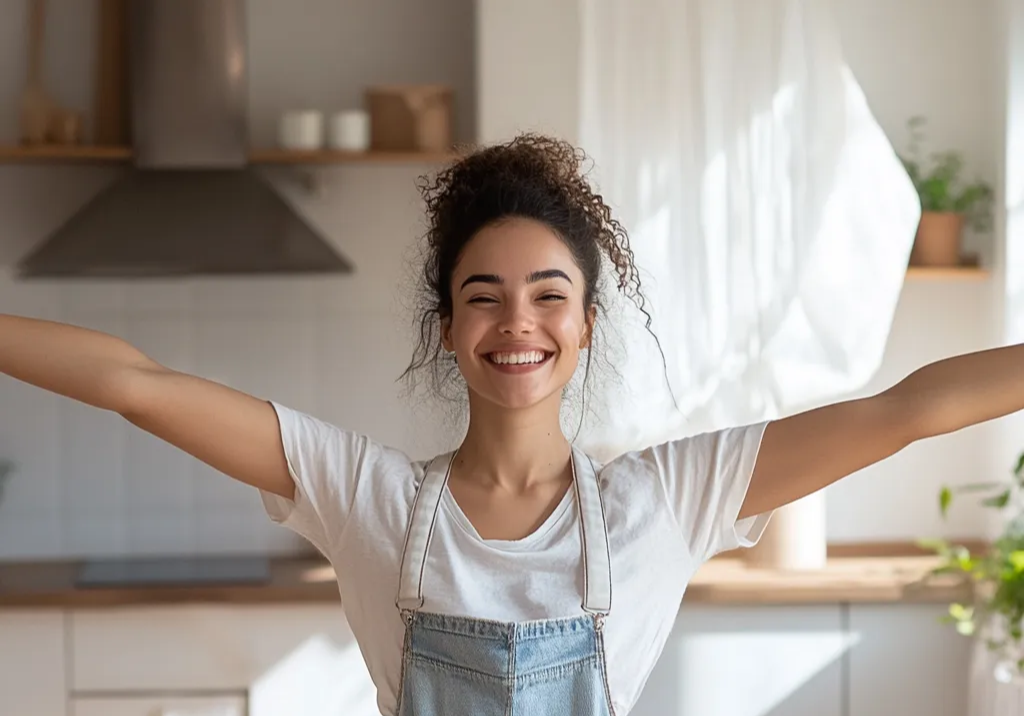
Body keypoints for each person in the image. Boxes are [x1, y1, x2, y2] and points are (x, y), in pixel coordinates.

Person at [0, 134, 1020, 716]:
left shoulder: (664, 500)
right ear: (448, 327)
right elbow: (136, 384)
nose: (516, 322)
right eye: (482, 295)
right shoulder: (371, 499)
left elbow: (905, 411)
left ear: (582, 323)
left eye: (547, 295)